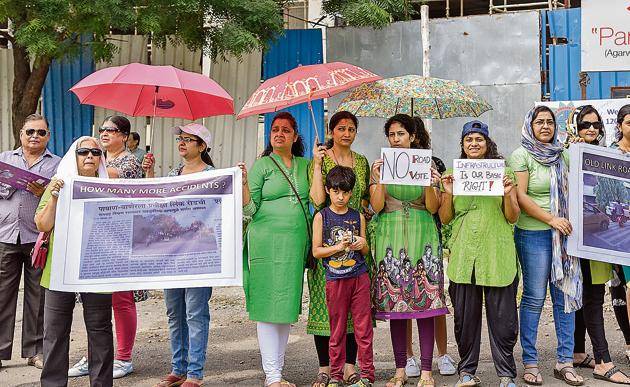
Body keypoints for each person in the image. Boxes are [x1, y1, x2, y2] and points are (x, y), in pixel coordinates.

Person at [440, 121, 519, 387]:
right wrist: (448, 194)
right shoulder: (453, 174)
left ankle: (506, 375)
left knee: (504, 320)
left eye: (479, 139)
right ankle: (467, 372)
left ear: (488, 143)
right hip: (464, 255)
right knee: (465, 319)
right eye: (468, 140)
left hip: (497, 252)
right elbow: (445, 217)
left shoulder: (504, 172)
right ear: (462, 144)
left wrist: (508, 194)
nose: (474, 144)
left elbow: (512, 217)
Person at [369, 114, 447, 387]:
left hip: (422, 232)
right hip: (390, 235)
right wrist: (377, 179)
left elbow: (434, 208)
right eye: (391, 134)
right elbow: (376, 207)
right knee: (396, 305)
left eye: (401, 134)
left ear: (412, 136)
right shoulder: (382, 166)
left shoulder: (424, 163)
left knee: (425, 304)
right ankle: (400, 369)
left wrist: (429, 182)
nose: (395, 139)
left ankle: (426, 370)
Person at [510, 106, 583, 386]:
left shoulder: (563, 154)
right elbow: (521, 197)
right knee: (534, 298)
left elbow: (582, 181)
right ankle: (530, 362)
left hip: (564, 236)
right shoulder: (522, 155)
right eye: (539, 121)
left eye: (549, 122)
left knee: (565, 296)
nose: (545, 126)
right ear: (530, 124)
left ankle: (564, 361)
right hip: (534, 235)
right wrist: (552, 219)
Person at [68, 115, 143, 380]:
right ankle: (95, 355)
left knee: (121, 299)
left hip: (121, 234)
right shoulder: (99, 158)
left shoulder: (129, 162)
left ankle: (123, 357)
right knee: (95, 301)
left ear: (124, 135)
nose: (104, 133)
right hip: (96, 235)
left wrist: (84, 162)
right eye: (101, 129)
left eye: (110, 130)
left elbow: (100, 176)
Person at [239, 112, 310, 387]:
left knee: (285, 306)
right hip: (266, 243)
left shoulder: (306, 165)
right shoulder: (262, 166)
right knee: (268, 306)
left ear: (294, 136)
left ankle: (278, 372)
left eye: (285, 130)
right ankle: (272, 376)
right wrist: (244, 184)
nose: (279, 134)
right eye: (274, 130)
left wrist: (319, 162)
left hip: (294, 244)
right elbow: (250, 209)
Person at [36, 136, 113, 387]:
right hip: (60, 269)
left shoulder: (110, 187)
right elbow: (43, 224)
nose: (90, 156)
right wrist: (57, 197)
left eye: (95, 152)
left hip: (97, 268)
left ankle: (101, 383)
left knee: (99, 330)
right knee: (55, 332)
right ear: (74, 156)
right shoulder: (58, 183)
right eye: (84, 152)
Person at [143, 123, 214, 387]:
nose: (181, 143)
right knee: (175, 313)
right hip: (172, 256)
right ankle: (178, 368)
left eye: (188, 139)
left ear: (202, 146)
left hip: (200, 255)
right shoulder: (174, 173)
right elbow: (157, 204)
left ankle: (195, 373)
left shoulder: (214, 176)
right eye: (180, 139)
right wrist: (150, 174)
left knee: (195, 313)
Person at [566, 105, 630, 384]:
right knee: (590, 296)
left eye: (595, 125)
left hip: (591, 241)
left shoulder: (606, 155)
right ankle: (603, 361)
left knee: (590, 294)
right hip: (572, 238)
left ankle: (579, 352)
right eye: (584, 125)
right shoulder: (567, 154)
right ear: (574, 128)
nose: (591, 129)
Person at [308, 111, 371, 387]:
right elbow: (318, 199)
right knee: (326, 309)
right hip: (329, 239)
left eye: (351, 128)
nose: (346, 133)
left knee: (356, 312)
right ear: (331, 131)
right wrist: (318, 164)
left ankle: (349, 367)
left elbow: (366, 198)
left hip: (355, 240)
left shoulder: (361, 162)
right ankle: (326, 368)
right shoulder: (321, 157)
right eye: (340, 128)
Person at [0, 113, 61, 370]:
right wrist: (10, 185)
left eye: (40, 132)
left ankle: (35, 351)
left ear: (47, 136)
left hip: (39, 237)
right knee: (2, 295)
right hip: (5, 234)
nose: (35, 136)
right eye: (30, 132)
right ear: (21, 134)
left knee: (38, 297)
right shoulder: (4, 159)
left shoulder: (58, 164)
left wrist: (42, 191)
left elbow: (61, 195)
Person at [405, 117, 456, 379]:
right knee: (403, 297)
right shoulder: (392, 161)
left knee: (433, 295)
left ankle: (442, 353)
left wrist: (436, 182)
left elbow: (437, 205)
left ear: (417, 135)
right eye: (398, 133)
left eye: (409, 133)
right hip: (401, 234)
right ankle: (409, 356)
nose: (402, 138)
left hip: (428, 232)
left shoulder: (434, 163)